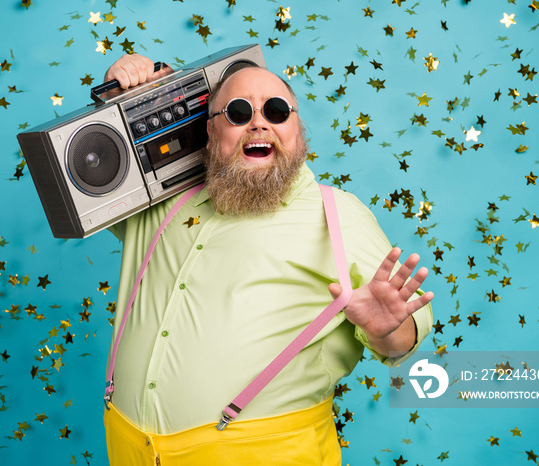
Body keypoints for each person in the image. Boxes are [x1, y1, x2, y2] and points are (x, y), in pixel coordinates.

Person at [102, 52, 434, 466]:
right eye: (238, 113)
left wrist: (389, 329)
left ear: (298, 128)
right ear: (210, 131)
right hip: (130, 449)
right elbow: (96, 172)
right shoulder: (161, 206)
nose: (260, 123)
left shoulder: (336, 215)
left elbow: (402, 341)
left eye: (277, 111)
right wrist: (127, 93)